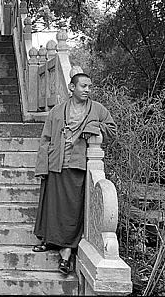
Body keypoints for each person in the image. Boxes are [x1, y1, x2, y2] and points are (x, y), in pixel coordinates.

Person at [31, 73, 117, 274]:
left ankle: (67, 252)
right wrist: (42, 167)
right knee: (52, 206)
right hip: (56, 163)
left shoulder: (97, 109)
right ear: (72, 88)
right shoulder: (57, 111)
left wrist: (93, 126)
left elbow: (112, 129)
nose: (87, 90)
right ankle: (50, 240)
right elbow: (45, 140)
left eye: (89, 86)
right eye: (83, 86)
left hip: (77, 166)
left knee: (72, 210)